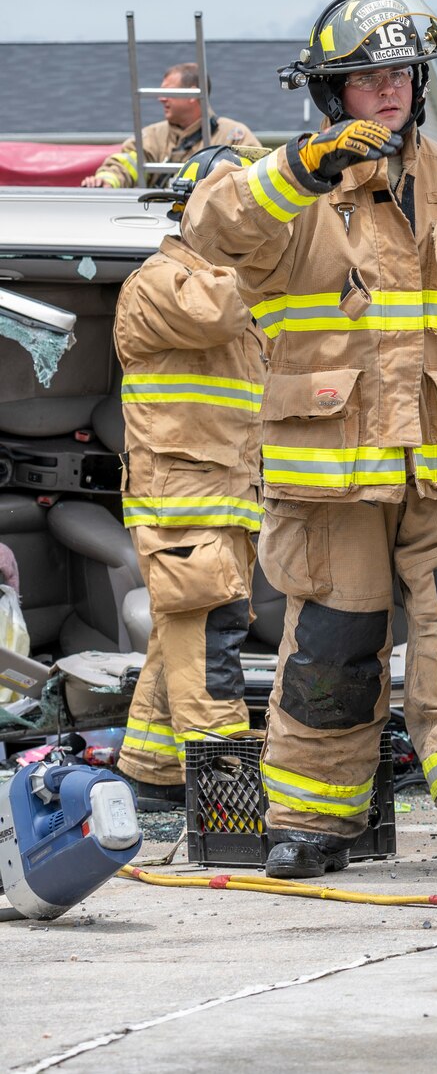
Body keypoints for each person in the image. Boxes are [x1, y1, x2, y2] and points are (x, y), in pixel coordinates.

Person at [179, 0, 437, 882]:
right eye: (367, 77)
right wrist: (304, 166)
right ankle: (312, 822)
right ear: (329, 94)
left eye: (402, 74)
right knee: (333, 654)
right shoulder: (283, 187)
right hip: (333, 473)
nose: (389, 92)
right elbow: (209, 228)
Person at [111, 145, 264, 810]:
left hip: (219, 502)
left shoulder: (224, 284)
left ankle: (149, 777)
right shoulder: (160, 283)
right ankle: (224, 795)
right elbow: (219, 312)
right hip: (183, 509)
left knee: (180, 638)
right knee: (210, 641)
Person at [85, 63, 261, 188]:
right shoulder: (153, 136)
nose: (161, 98)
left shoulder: (234, 136)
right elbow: (127, 164)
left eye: (167, 92)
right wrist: (107, 181)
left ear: (192, 94)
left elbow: (254, 183)